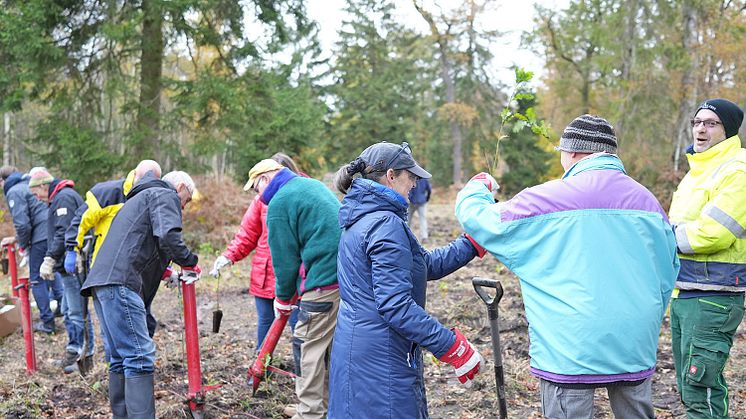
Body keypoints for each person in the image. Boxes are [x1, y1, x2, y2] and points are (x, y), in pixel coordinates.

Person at [456, 114, 679, 418]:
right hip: (635, 339)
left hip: (570, 347)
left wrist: (476, 190)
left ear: (572, 152)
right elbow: (667, 273)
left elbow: (483, 222)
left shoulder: (548, 198)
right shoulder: (648, 203)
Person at [328, 141, 485, 418]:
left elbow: (423, 265)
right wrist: (451, 346)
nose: (414, 183)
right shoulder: (385, 224)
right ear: (391, 175)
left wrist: (471, 243)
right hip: (381, 359)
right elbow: (395, 306)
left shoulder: (365, 217)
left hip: (358, 348)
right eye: (410, 175)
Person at [81, 170, 199, 419]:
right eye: (186, 201)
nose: (183, 208)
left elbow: (140, 244)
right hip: (121, 283)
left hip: (103, 283)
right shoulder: (164, 194)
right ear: (179, 187)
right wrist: (189, 261)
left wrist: (168, 273)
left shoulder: (137, 199)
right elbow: (167, 236)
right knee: (139, 356)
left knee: (120, 357)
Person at [668, 99, 746, 418]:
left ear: (727, 130)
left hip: (714, 296)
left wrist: (663, 237)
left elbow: (714, 232)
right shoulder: (696, 173)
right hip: (686, 292)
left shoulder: (737, 171)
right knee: (689, 388)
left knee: (701, 389)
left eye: (711, 123)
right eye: (697, 121)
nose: (701, 128)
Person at [247, 158, 340, 419]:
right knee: (327, 347)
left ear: (266, 179)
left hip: (323, 280)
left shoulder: (279, 202)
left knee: (307, 345)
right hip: (345, 276)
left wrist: (283, 298)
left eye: (256, 189)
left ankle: (310, 413)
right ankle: (325, 406)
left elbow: (285, 261)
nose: (258, 197)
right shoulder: (309, 186)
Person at [209, 155, 301, 354]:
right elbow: (248, 233)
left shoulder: (303, 192)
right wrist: (228, 256)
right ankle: (260, 369)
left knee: (300, 329)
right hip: (265, 273)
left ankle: (303, 374)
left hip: (296, 276)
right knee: (265, 324)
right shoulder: (261, 200)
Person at [65, 159, 162, 339]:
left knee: (143, 324)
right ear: (136, 175)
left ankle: (138, 363)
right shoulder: (108, 194)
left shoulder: (153, 196)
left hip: (137, 273)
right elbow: (81, 220)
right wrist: (72, 248)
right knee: (113, 331)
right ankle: (118, 365)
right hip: (107, 272)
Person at [28, 169, 94, 374]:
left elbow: (64, 232)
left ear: (42, 186)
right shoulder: (59, 198)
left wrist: (50, 258)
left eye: (36, 193)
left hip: (73, 264)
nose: (37, 198)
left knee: (77, 311)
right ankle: (74, 350)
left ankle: (84, 355)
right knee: (68, 309)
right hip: (66, 265)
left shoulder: (63, 199)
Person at [0, 165, 62, 334]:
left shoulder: (14, 191)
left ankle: (47, 323)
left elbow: (23, 224)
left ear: (2, 181)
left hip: (40, 236)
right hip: (49, 230)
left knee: (36, 278)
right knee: (51, 270)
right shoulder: (27, 185)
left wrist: (23, 244)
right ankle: (62, 307)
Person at [408, 177, 431, 242]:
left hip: (412, 202)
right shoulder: (424, 179)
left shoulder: (412, 178)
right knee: (423, 219)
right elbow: (429, 189)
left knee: (408, 219)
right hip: (422, 202)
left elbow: (409, 189)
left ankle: (405, 235)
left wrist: (410, 199)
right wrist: (426, 199)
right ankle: (424, 237)